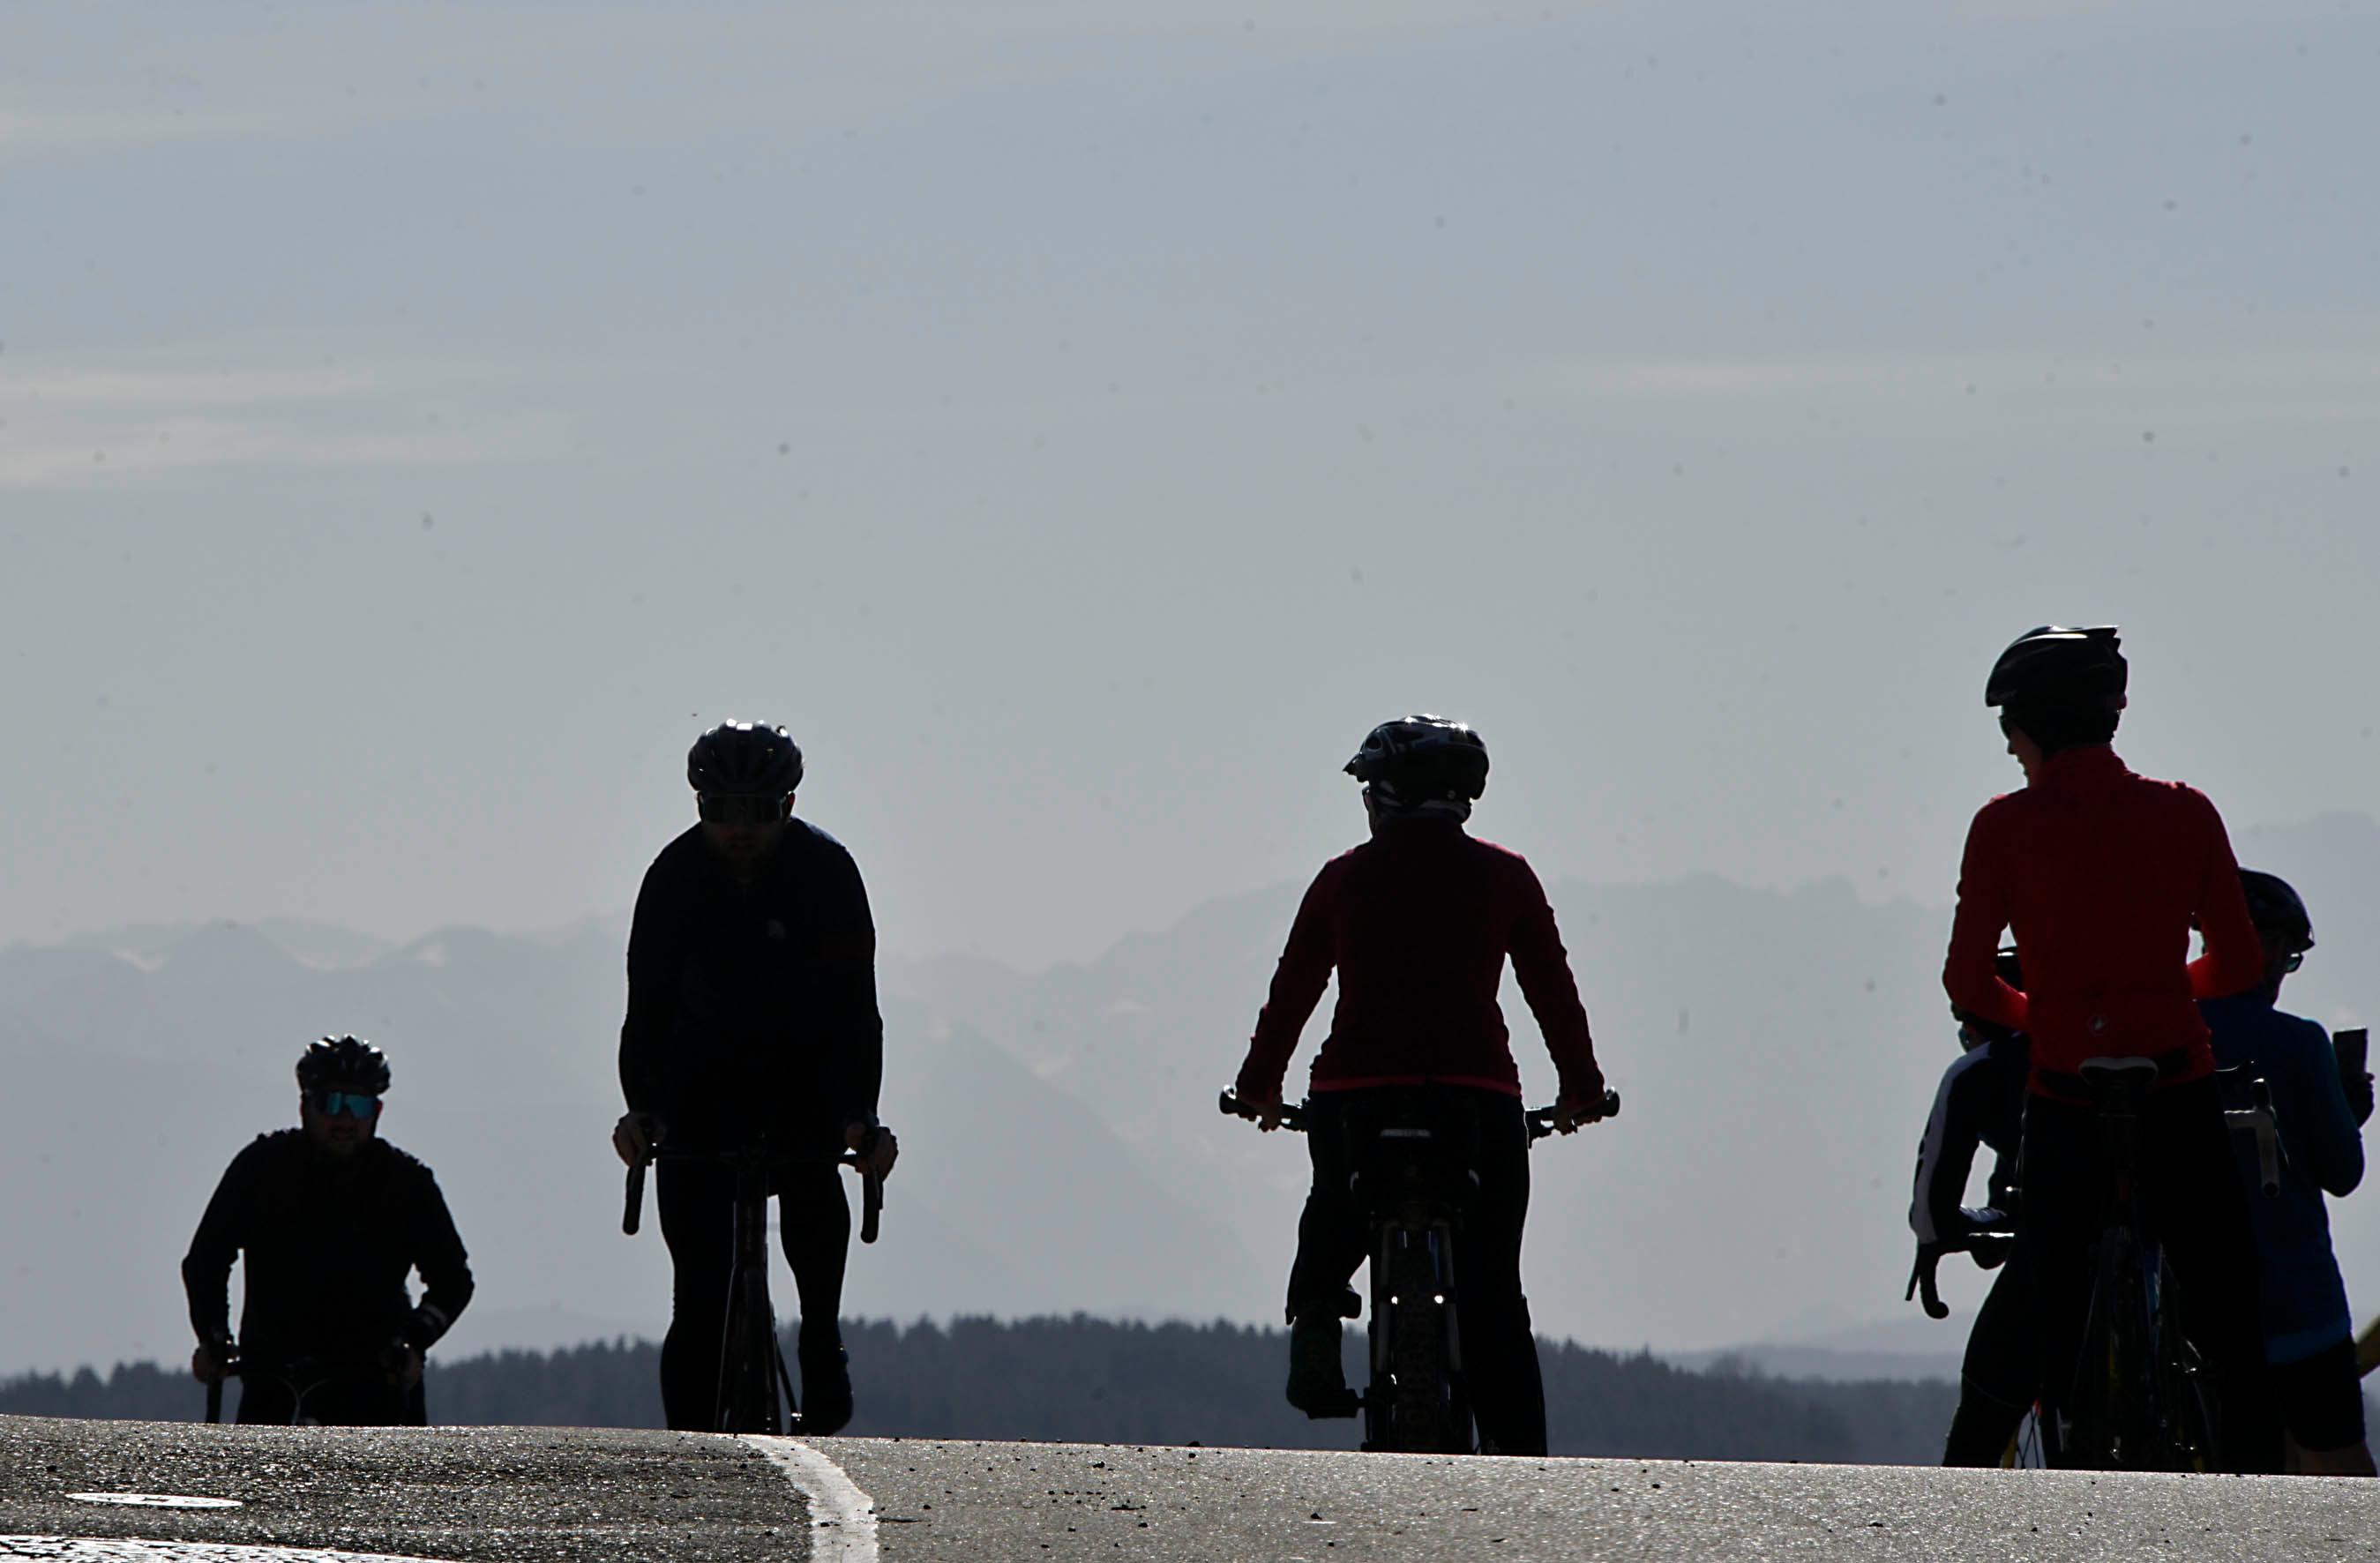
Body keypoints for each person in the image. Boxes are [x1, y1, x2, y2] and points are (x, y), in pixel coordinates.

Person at [1942, 624, 2274, 1470]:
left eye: (2010, 733)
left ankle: (1978, 1483)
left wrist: (2049, 1012)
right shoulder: (2186, 813)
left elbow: (1969, 985)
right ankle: (2264, 1491)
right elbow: (2238, 964)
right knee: (2226, 1298)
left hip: (2065, 1093)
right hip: (2175, 1083)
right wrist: (2163, 991)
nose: (2011, 750)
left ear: (2028, 727)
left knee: (2043, 1292)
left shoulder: (2002, 828)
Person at [1231, 714, 1609, 1456]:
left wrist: (1258, 1088)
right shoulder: (1508, 877)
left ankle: (1314, 1317)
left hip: (1356, 1092)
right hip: (1478, 1097)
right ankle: (1521, 1467)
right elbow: (1552, 997)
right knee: (1495, 1290)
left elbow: (1291, 997)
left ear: (1387, 797)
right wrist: (1581, 1089)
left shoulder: (1341, 881)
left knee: (1333, 1213)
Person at [613, 720, 897, 1434]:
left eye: (759, 813)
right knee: (698, 1302)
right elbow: (645, 1010)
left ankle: (820, 1337)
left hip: (801, 1072)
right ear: (699, 808)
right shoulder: (673, 878)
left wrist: (859, 1117)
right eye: (720, 812)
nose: (739, 830)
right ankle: (689, 1454)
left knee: (811, 1183)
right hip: (698, 1083)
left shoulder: (827, 873)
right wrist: (642, 1111)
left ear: (790, 807)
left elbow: (856, 1013)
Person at [183, 1036, 474, 1425]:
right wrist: (213, 1334)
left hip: (375, 1387)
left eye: (358, 1106)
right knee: (259, 1482)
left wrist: (414, 1341)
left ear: (378, 1112)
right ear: (305, 1107)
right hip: (274, 1379)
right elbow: (207, 1259)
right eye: (331, 1104)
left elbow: (453, 1280)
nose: (345, 1120)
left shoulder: (406, 1183)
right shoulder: (261, 1170)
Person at [2202, 867, 2376, 1475]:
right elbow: (2342, 1170)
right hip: (2299, 1309)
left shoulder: (2166, 1035)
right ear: (2271, 947)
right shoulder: (2299, 1044)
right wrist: (2349, 1107)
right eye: (2289, 955)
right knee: (2342, 1485)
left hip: (2193, 1318)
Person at [1909, 950, 2039, 1465]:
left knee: (1988, 1387)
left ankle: (1961, 1528)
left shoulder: (1980, 1073)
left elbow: (1932, 1216)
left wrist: (1952, 1233)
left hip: (2056, 1246)